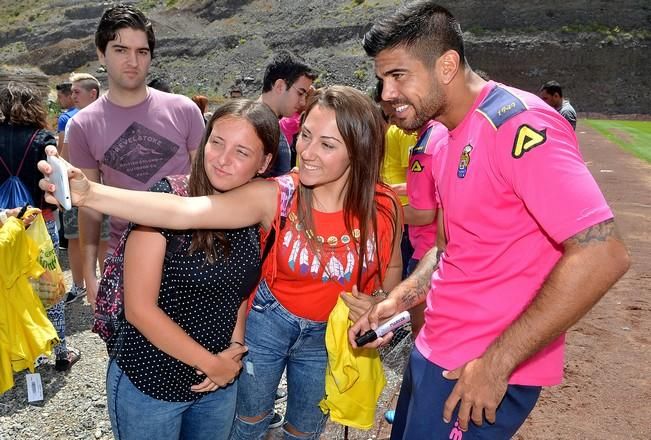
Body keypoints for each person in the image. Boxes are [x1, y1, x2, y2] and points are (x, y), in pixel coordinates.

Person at [40, 85, 403, 439]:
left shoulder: (385, 207)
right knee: (248, 421)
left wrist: (380, 302)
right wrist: (90, 192)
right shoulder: (276, 196)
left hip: (314, 341)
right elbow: (183, 212)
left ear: (359, 151)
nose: (306, 151)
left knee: (306, 427)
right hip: (196, 357)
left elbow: (389, 270)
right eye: (306, 135)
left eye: (327, 144)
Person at [351, 2, 630, 439]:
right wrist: (398, 301)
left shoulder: (520, 124)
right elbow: (449, 251)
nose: (386, 94)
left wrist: (496, 366)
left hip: (476, 370)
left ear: (446, 65)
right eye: (382, 79)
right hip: (436, 348)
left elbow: (603, 253)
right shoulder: (441, 136)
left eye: (398, 76)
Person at [105, 99, 276, 440]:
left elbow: (239, 292)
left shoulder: (255, 212)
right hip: (151, 383)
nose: (223, 160)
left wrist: (233, 350)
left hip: (218, 385)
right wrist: (211, 363)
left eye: (242, 152)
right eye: (217, 142)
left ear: (264, 163)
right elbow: (139, 309)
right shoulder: (166, 199)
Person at [66, 4, 205, 308]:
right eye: (120, 50)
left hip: (191, 256)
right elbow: (88, 204)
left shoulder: (184, 110)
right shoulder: (82, 126)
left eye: (142, 52)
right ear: (101, 54)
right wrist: (90, 272)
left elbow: (208, 186)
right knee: (131, 352)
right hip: (127, 260)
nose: (132, 61)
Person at [0, 82, 80, 371]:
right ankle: (60, 352)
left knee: (13, 286)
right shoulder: (42, 137)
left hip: (6, 223)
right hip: (40, 223)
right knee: (49, 286)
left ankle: (24, 353)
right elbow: (56, 174)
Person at [61, 72, 110, 304]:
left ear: (93, 93)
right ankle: (79, 285)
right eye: (71, 92)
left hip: (104, 190)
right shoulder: (72, 122)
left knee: (104, 238)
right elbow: (65, 157)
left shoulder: (108, 119)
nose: (73, 96)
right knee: (75, 238)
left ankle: (105, 287)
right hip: (79, 190)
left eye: (76, 92)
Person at [259, 50, 317, 176]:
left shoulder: (269, 125)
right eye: (300, 93)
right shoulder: (252, 127)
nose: (302, 102)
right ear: (280, 86)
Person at [55, 82, 77, 148]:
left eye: (59, 97)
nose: (57, 100)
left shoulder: (64, 118)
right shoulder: (87, 111)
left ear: (70, 97)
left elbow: (61, 148)